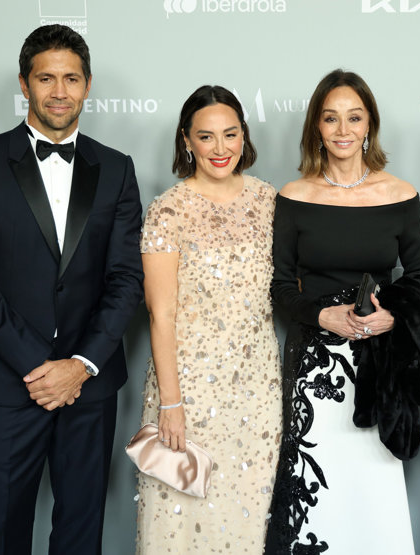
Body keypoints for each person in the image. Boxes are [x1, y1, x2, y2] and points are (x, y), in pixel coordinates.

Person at [0, 24, 143, 555]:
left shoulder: (117, 169)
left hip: (89, 385)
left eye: (71, 78)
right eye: (46, 78)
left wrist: (79, 365)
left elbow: (126, 278)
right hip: (8, 381)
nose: (59, 91)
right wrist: (41, 368)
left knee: (81, 535)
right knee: (1, 533)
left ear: (88, 85)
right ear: (24, 83)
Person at [264, 69, 420, 554]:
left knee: (372, 488)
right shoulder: (294, 197)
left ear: (370, 124)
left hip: (379, 361)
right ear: (316, 126)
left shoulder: (400, 195)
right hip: (313, 368)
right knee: (318, 488)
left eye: (354, 117)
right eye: (331, 118)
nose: (343, 130)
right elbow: (280, 288)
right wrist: (321, 316)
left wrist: (395, 316)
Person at [135, 85, 282, 554]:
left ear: (244, 136)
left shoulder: (269, 201)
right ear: (186, 140)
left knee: (250, 519)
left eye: (230, 134)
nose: (220, 148)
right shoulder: (167, 210)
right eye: (206, 136)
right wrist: (171, 404)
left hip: (259, 390)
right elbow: (161, 314)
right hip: (190, 392)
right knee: (183, 521)